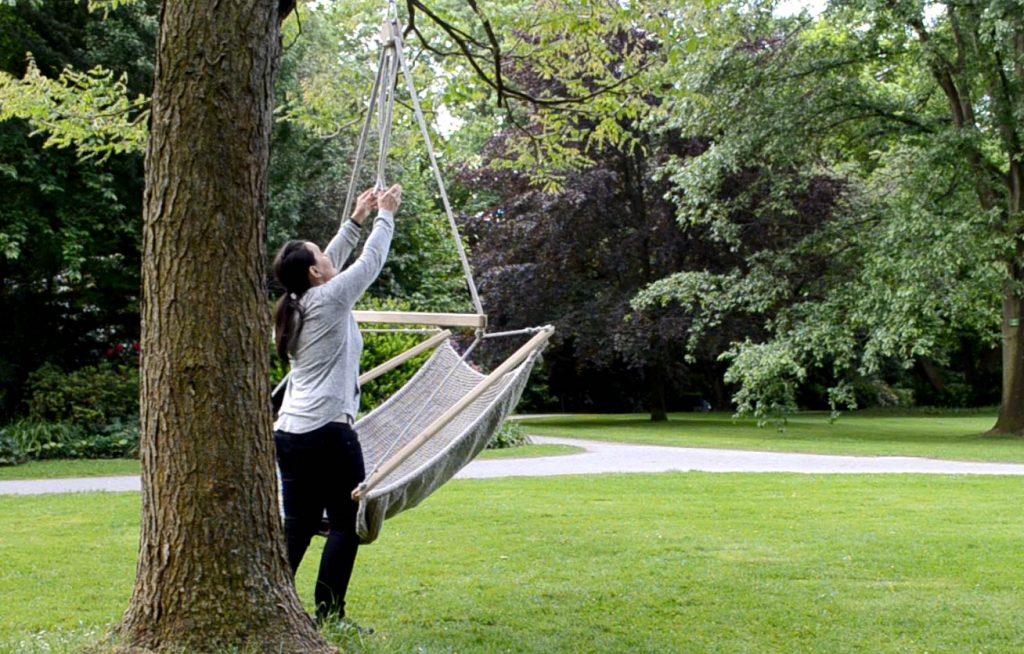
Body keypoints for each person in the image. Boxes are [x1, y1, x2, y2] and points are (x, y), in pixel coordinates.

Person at [271, 183, 402, 626]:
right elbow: (370, 263)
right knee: (346, 522)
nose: (327, 257)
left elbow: (329, 260)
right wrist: (385, 215)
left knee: (300, 524)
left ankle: (274, 607)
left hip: (290, 433)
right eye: (319, 256)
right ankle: (330, 615)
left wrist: (357, 217)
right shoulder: (329, 297)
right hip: (328, 430)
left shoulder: (295, 304)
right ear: (313, 272)